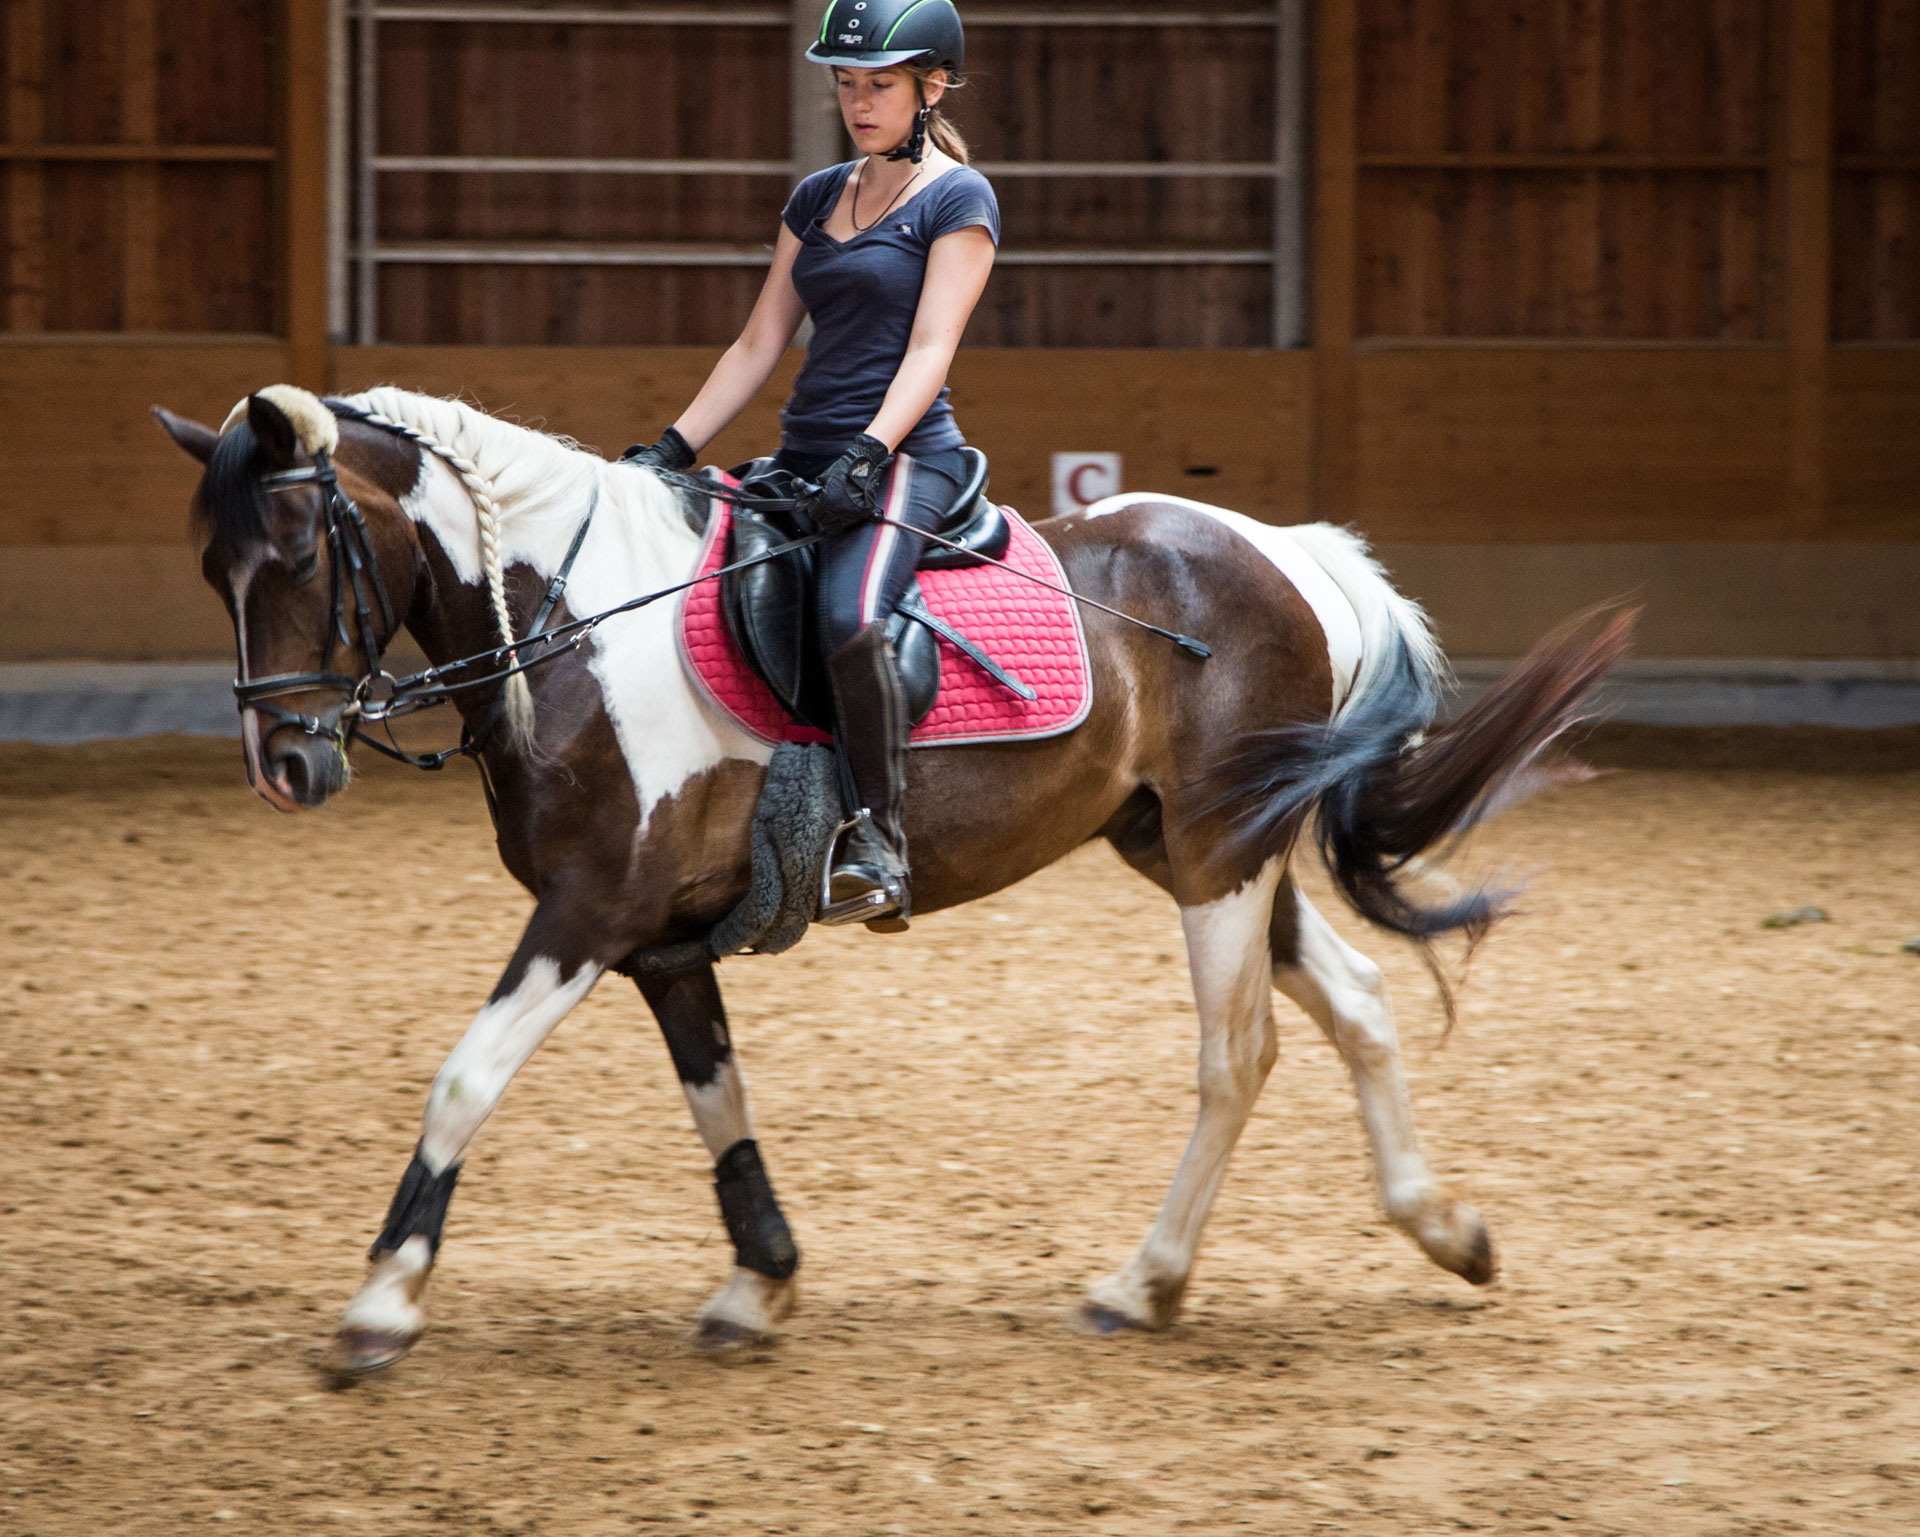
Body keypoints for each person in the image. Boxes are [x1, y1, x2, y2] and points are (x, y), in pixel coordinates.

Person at [623, 0, 996, 932]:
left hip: (908, 459)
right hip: (803, 457)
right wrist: (673, 447)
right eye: (846, 83)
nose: (858, 101)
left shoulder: (960, 199)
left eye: (879, 84)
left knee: (849, 610)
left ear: (931, 86)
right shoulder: (816, 195)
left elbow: (931, 348)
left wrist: (871, 450)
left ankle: (880, 839)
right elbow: (758, 343)